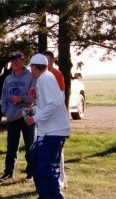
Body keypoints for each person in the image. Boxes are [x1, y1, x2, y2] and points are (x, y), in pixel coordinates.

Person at [24, 53, 70, 199]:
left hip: (54, 131)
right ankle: (45, 198)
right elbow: (46, 104)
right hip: (47, 131)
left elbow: (55, 103)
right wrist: (33, 109)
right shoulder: (45, 78)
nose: (30, 70)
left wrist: (35, 118)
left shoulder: (45, 79)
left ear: (34, 67)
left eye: (31, 67)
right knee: (36, 164)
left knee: (45, 168)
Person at [0, 51, 36, 182]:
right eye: (12, 61)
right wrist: (4, 110)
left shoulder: (30, 76)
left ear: (22, 60)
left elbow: (33, 96)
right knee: (11, 145)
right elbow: (3, 95)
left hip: (26, 114)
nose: (14, 63)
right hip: (12, 115)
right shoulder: (8, 78)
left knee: (29, 145)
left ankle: (31, 173)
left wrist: (21, 98)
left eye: (16, 60)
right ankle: (8, 172)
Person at [43, 50, 67, 189]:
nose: (46, 63)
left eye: (48, 60)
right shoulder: (43, 76)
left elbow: (58, 99)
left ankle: (61, 178)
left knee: (57, 150)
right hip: (45, 119)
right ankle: (52, 177)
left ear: (52, 61)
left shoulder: (56, 75)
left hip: (55, 119)